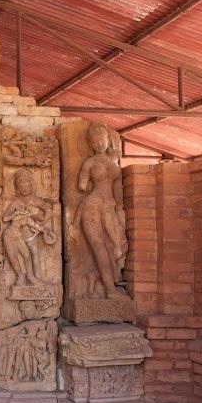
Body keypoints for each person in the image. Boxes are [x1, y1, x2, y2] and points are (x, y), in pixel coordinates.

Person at [70, 121, 129, 299]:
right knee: (99, 249)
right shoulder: (89, 163)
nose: (98, 144)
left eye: (101, 139)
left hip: (110, 206)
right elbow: (81, 186)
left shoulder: (114, 158)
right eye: (94, 141)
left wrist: (119, 207)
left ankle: (93, 277)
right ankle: (111, 291)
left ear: (107, 138)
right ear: (89, 143)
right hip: (92, 206)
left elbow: (118, 187)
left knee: (120, 246)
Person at [2, 169, 55, 286]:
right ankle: (22, 277)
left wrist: (41, 224)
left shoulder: (35, 201)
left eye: (27, 185)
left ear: (31, 185)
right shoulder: (15, 203)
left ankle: (36, 278)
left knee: (34, 253)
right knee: (16, 256)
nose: (24, 188)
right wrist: (16, 214)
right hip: (16, 233)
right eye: (21, 186)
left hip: (31, 233)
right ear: (17, 188)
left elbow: (49, 211)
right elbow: (5, 218)